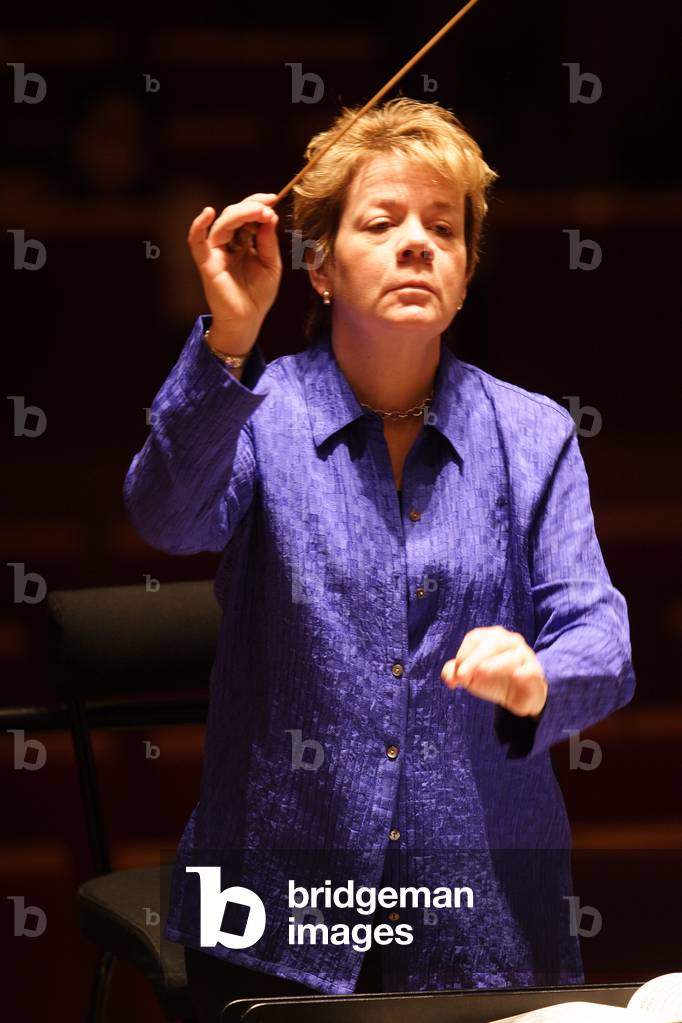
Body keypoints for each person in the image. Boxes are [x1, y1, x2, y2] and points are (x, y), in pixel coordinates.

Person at [123, 97, 636, 1022]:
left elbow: (602, 638)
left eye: (444, 228)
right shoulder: (261, 412)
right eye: (382, 222)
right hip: (270, 906)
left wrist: (539, 675)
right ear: (318, 266)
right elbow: (165, 516)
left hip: (481, 910)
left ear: (467, 272)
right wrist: (229, 337)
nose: (417, 245)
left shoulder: (535, 433)